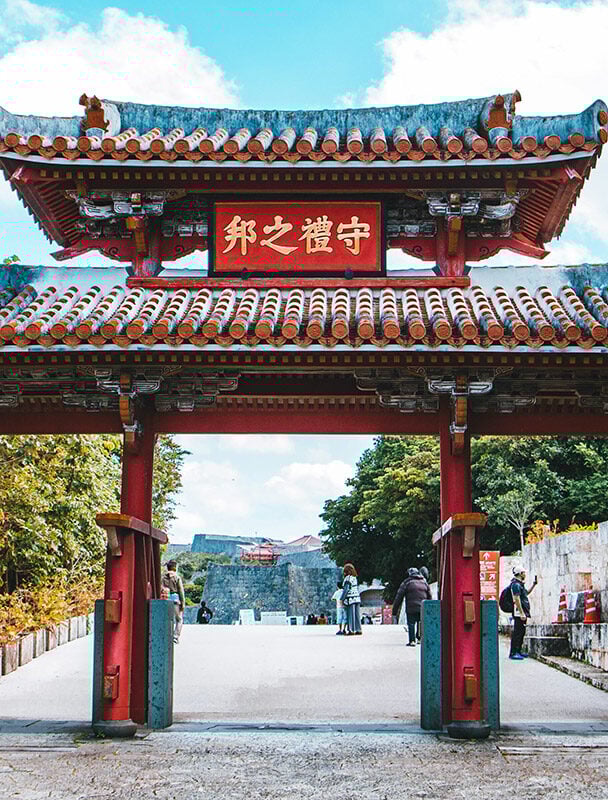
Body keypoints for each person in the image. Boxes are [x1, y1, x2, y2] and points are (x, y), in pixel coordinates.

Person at [392, 567, 432, 646]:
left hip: (411, 607)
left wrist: (394, 611)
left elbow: (399, 597)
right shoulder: (424, 582)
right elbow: (429, 595)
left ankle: (412, 641)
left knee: (411, 623)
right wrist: (430, 608)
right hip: (422, 607)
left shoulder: (407, 582)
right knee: (420, 622)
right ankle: (420, 638)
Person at [509, 565, 538, 660]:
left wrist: (534, 585)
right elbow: (516, 599)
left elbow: (526, 593)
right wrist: (521, 613)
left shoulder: (519, 584)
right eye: (524, 573)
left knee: (521, 632)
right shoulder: (516, 585)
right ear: (521, 573)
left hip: (522, 612)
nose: (525, 574)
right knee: (517, 632)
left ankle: (518, 651)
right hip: (519, 613)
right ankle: (513, 652)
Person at [162, 560, 185, 644]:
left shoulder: (163, 577)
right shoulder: (177, 577)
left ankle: (167, 635)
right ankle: (175, 636)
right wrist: (183, 603)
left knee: (167, 619)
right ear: (175, 567)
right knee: (179, 619)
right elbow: (181, 591)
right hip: (175, 599)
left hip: (166, 598)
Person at [341, 563, 362, 635]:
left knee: (350, 615)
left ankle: (351, 630)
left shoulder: (347, 578)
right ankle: (358, 629)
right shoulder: (354, 578)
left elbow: (346, 590)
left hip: (350, 599)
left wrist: (342, 599)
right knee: (357, 615)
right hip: (357, 598)